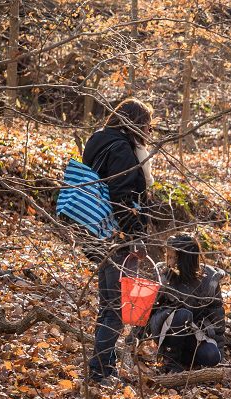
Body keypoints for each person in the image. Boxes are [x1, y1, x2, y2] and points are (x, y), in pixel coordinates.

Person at [81, 97, 155, 383]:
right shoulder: (122, 149)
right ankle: (101, 372)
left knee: (108, 303)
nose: (149, 132)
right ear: (135, 124)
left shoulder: (99, 139)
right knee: (115, 307)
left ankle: (105, 365)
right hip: (115, 236)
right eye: (147, 125)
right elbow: (122, 198)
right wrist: (134, 236)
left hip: (96, 232)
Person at [147, 234, 225, 373]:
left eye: (173, 258)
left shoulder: (208, 280)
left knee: (212, 357)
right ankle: (170, 361)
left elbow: (216, 315)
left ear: (185, 259)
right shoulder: (163, 275)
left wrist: (219, 349)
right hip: (166, 332)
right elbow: (148, 309)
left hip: (193, 333)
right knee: (183, 314)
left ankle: (184, 358)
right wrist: (133, 341)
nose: (169, 262)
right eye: (168, 256)